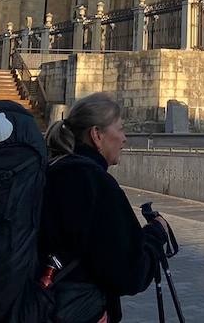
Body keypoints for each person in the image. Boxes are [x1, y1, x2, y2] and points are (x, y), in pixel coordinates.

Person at [40, 93, 169, 323]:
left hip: (39, 303)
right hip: (77, 311)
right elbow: (130, 273)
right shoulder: (96, 184)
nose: (124, 138)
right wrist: (155, 235)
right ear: (97, 135)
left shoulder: (50, 169)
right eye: (119, 129)